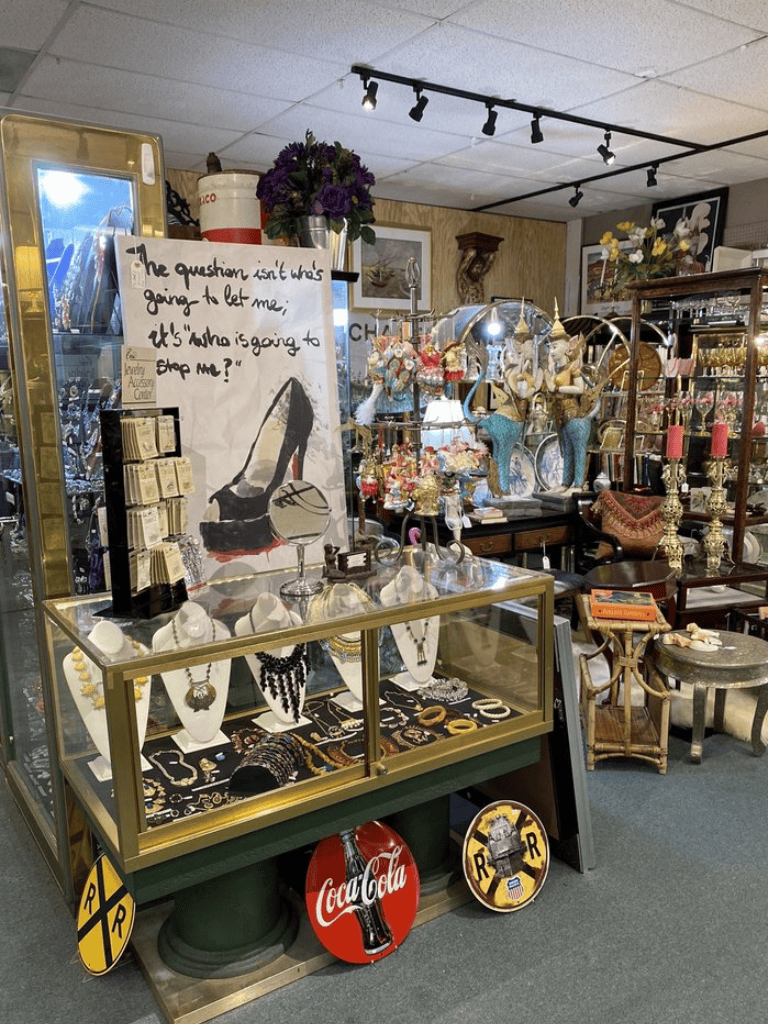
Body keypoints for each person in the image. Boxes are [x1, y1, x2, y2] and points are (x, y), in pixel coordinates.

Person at [544, 326, 601, 492]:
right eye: (550, 347)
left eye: (555, 347)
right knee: (567, 451)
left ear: (567, 347)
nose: (552, 351)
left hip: (576, 417)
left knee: (578, 451)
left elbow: (580, 389)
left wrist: (557, 389)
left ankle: (578, 484)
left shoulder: (573, 368)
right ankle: (565, 483)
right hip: (562, 417)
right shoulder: (558, 370)